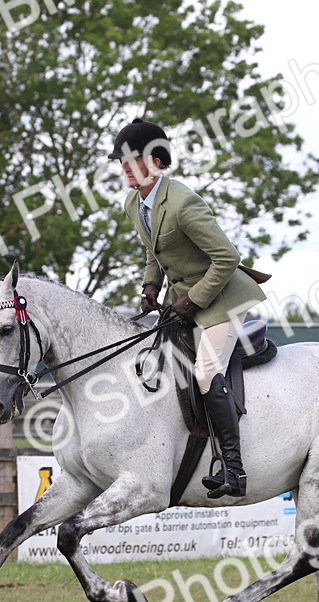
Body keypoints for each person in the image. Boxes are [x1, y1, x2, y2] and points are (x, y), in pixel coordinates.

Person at [108, 118, 269, 498]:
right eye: (122, 161)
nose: (124, 167)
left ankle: (234, 469)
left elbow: (227, 257)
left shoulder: (183, 202)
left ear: (156, 162)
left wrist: (193, 299)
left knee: (205, 370)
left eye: (132, 160)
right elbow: (153, 250)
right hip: (181, 299)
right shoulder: (134, 202)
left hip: (222, 299)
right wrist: (151, 284)